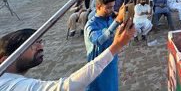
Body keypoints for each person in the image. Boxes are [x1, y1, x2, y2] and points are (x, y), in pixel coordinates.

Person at [0, 21, 135, 90]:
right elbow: (66, 87)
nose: (41, 47)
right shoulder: (11, 84)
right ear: (5, 60)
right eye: (32, 45)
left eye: (40, 42)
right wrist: (116, 45)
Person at [84, 0, 127, 91]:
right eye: (108, 7)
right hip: (98, 67)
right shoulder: (91, 25)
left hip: (111, 62)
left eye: (112, 7)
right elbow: (99, 40)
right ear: (98, 7)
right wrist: (117, 21)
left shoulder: (109, 20)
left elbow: (114, 35)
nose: (111, 10)